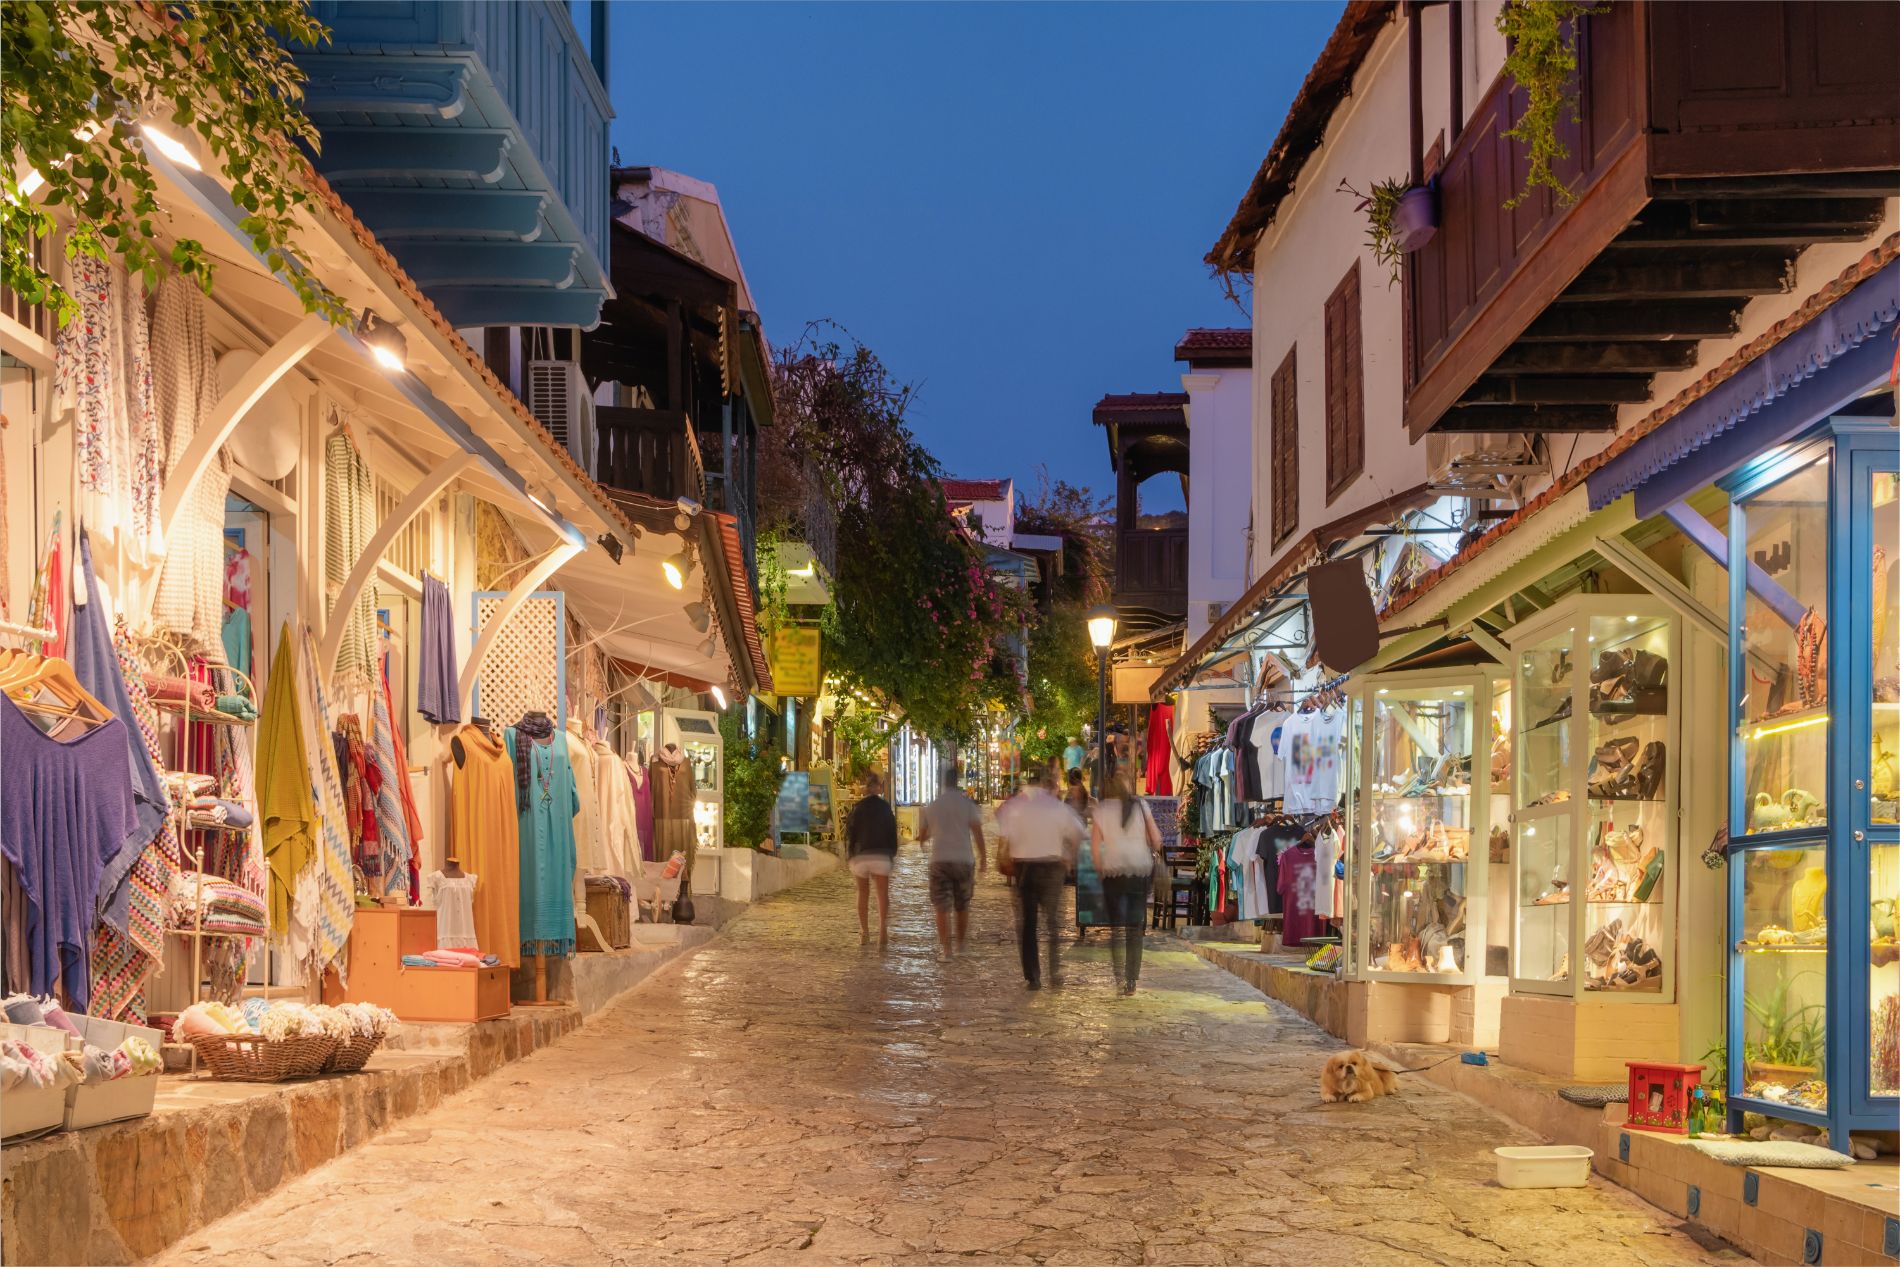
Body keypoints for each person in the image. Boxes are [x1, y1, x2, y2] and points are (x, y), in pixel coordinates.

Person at [996, 767, 1084, 990]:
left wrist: (1005, 856)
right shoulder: (1056, 807)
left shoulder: (1016, 806)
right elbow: (1077, 833)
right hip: (1052, 867)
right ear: (1046, 784)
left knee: (1028, 924)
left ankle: (1033, 976)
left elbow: (1004, 837)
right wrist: (1070, 858)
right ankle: (1054, 972)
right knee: (1053, 922)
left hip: (1024, 868)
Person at [1090, 772, 1164, 995]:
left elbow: (1095, 848)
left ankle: (1119, 976)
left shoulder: (1101, 810)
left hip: (1114, 874)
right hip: (1139, 871)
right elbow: (1157, 840)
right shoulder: (1140, 805)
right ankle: (1132, 981)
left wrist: (1100, 870)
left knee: (1116, 931)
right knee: (1134, 929)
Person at [918, 766, 987, 958]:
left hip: (939, 859)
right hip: (963, 859)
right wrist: (983, 859)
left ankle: (946, 950)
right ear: (957, 781)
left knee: (941, 906)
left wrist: (932, 835)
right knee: (962, 904)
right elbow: (977, 832)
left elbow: (922, 836)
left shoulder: (933, 806)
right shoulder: (967, 805)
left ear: (942, 783)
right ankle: (961, 945)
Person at [845, 771, 898, 947]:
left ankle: (864, 932)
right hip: (881, 854)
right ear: (879, 788)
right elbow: (892, 831)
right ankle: (882, 930)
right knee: (882, 894)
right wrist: (892, 851)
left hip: (861, 855)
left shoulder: (858, 807)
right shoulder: (885, 807)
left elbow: (850, 832)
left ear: (865, 788)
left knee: (862, 893)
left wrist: (851, 853)